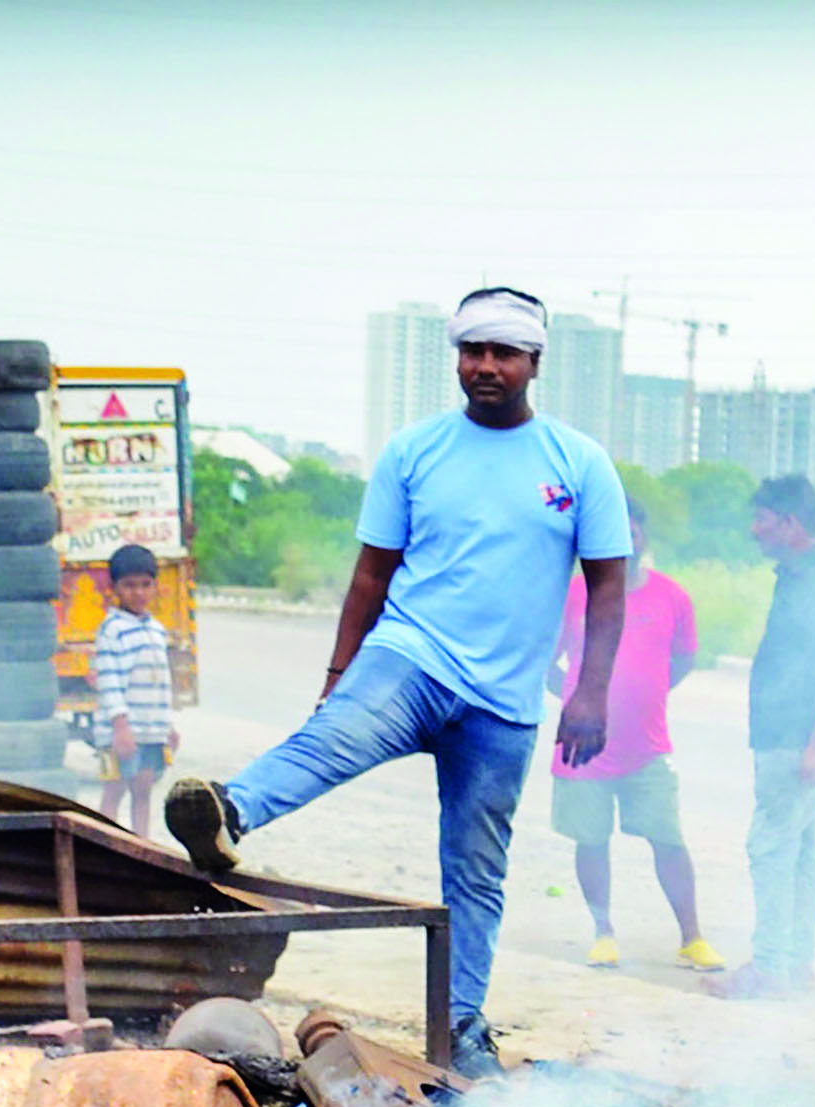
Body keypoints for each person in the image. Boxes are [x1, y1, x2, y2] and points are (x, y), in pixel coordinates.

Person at [165, 286, 628, 1067]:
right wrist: (340, 670)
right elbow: (371, 575)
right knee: (330, 738)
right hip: (410, 656)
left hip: (504, 704)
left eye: (501, 354)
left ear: (533, 363)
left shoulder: (578, 464)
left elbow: (609, 585)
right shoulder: (415, 451)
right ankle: (227, 816)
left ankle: (462, 1025)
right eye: (471, 352)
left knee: (476, 870)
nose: (484, 367)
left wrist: (590, 692)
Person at [720, 473, 815, 1000]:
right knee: (799, 848)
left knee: (771, 846)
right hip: (791, 737)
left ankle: (770, 970)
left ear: (790, 523)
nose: (755, 529)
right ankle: (795, 965)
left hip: (797, 739)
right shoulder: (801, 577)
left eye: (763, 518)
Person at [548, 556, 705, 968]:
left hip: (648, 746)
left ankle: (693, 938)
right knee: (591, 838)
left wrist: (647, 693)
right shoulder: (574, 594)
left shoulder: (671, 595)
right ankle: (604, 933)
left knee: (668, 839)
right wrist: (573, 703)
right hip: (584, 747)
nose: (628, 540)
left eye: (634, 531)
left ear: (643, 536)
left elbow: (684, 659)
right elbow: (547, 660)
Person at [83, 542, 174, 827]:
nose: (138, 592)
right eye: (129, 585)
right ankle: (106, 853)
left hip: (151, 731)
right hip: (119, 734)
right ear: (115, 588)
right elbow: (109, 682)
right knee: (114, 791)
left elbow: (161, 686)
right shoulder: (112, 630)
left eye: (146, 584)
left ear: (155, 586)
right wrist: (120, 729)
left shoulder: (156, 629)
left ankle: (141, 851)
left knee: (144, 791)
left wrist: (167, 727)